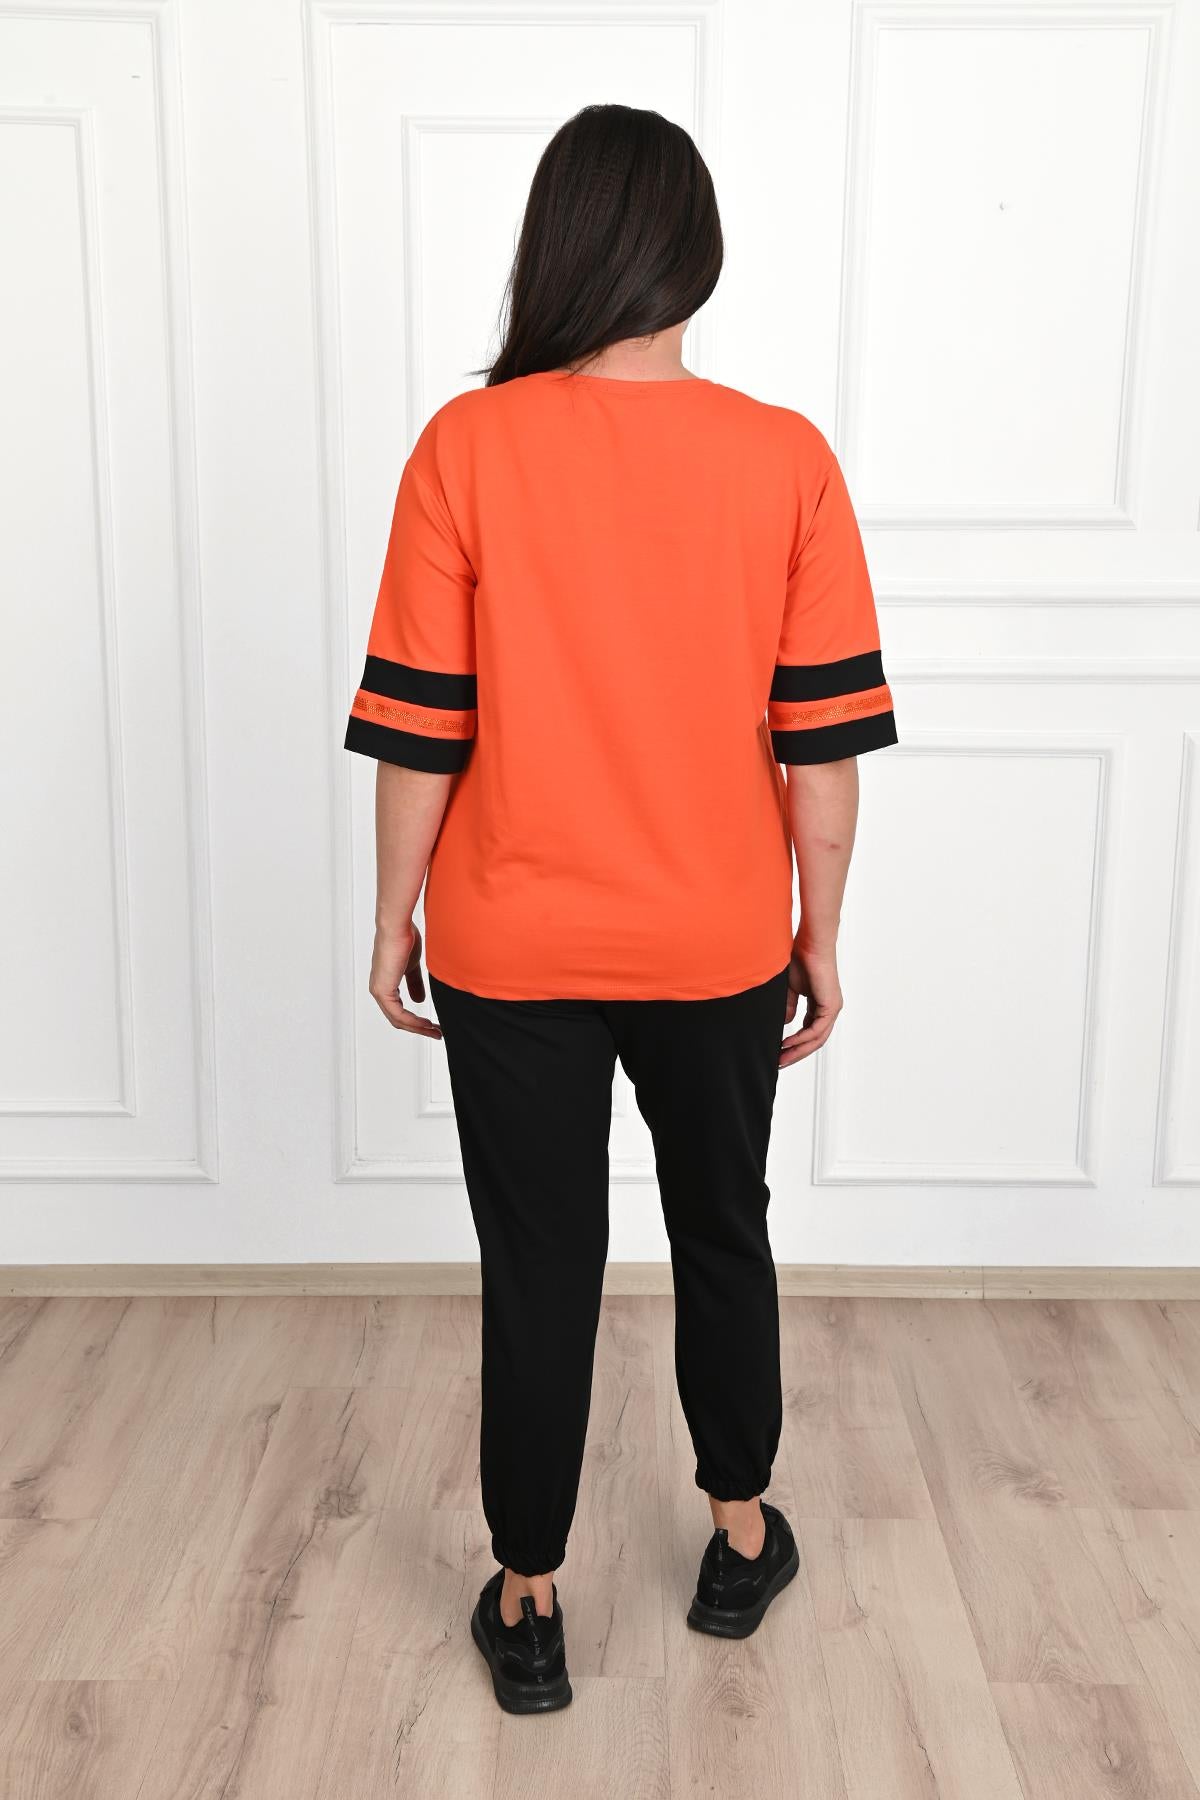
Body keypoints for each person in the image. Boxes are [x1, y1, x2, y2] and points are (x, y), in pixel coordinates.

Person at [344, 102, 897, 1715]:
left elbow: (422, 728)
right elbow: (821, 751)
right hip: (716, 940)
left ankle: (527, 1600)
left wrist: (392, 916)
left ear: (559, 246)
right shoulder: (784, 458)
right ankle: (740, 1536)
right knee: (724, 1229)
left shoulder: (466, 448)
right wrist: (819, 932)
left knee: (539, 1264)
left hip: (510, 947)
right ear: (695, 256)